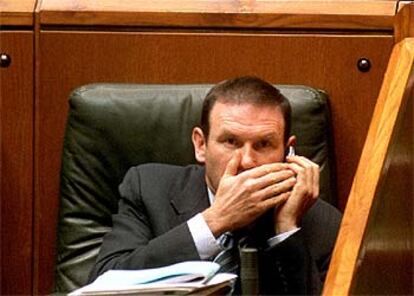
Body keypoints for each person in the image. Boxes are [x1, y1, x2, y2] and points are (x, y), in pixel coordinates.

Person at [89, 76, 341, 295]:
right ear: (201, 145)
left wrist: (285, 231)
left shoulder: (321, 221)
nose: (247, 162)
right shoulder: (149, 189)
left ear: (287, 152)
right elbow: (101, 286)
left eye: (263, 144)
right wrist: (214, 221)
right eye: (231, 141)